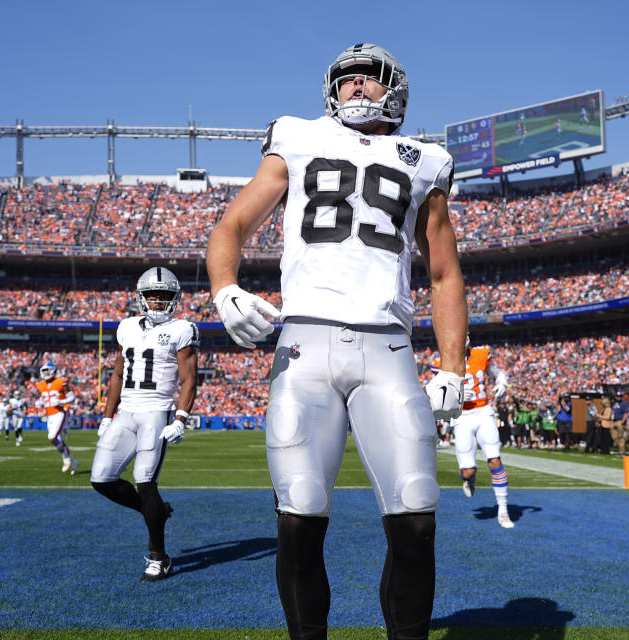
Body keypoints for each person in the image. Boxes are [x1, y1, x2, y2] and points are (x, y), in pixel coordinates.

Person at [204, 43, 467, 640]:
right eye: (344, 79)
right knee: (299, 514)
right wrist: (225, 290)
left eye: (366, 79)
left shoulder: (426, 160)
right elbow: (232, 224)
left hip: (389, 349)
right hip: (305, 344)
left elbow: (445, 271)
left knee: (417, 513)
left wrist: (453, 365)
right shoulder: (296, 136)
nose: (353, 87)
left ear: (394, 88)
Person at [90, 267, 198, 583]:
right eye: (152, 294)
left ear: (174, 298)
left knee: (145, 481)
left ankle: (158, 557)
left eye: (163, 295)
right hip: (127, 411)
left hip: (156, 411)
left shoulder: (183, 329)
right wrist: (108, 415)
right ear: (140, 297)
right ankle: (154, 511)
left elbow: (189, 378)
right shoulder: (126, 327)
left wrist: (181, 418)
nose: (157, 300)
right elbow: (117, 374)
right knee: (101, 479)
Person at [434, 342, 512, 528]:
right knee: (468, 471)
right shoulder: (442, 360)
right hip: (461, 416)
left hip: (483, 411)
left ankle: (503, 511)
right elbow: (437, 391)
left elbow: (496, 372)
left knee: (495, 460)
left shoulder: (482, 354)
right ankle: (469, 479)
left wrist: (502, 382)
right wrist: (454, 397)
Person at [35, 361, 79, 474]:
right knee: (58, 440)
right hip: (49, 415)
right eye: (43, 371)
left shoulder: (61, 382)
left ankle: (66, 458)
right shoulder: (41, 385)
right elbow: (44, 398)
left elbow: (72, 397)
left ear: (53, 371)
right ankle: (73, 461)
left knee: (52, 437)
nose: (45, 373)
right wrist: (39, 402)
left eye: (47, 370)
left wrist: (61, 401)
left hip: (59, 413)